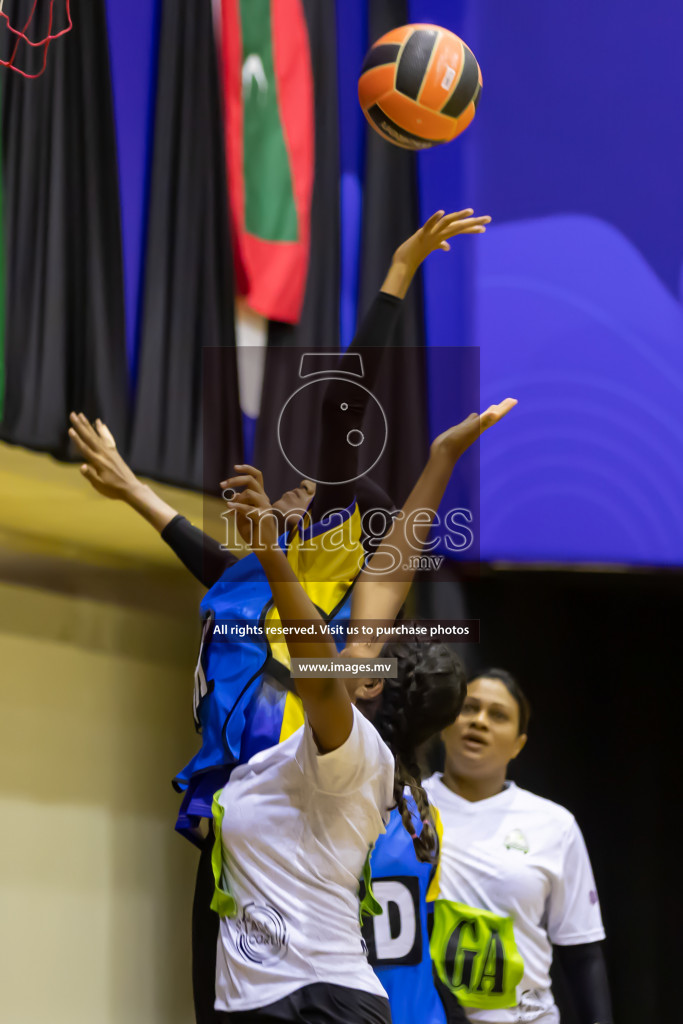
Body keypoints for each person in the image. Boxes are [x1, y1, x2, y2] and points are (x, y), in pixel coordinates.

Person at [214, 399, 516, 1022]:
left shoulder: (349, 751)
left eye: (367, 646)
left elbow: (319, 669)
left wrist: (274, 554)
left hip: (320, 1000)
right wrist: (442, 458)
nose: (352, 631)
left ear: (374, 688)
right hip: (264, 992)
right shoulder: (293, 738)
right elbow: (388, 576)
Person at [424, 669, 614, 1024]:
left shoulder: (555, 825)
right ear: (446, 721)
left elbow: (582, 955)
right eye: (469, 708)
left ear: (518, 744)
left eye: (498, 715)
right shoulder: (401, 805)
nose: (480, 721)